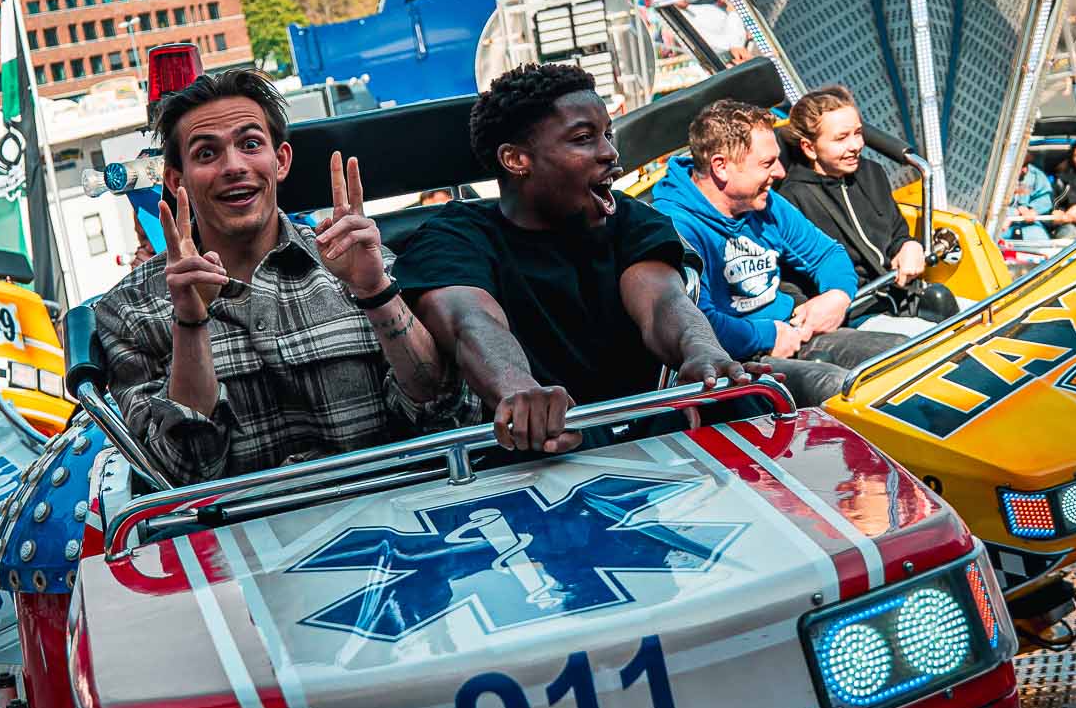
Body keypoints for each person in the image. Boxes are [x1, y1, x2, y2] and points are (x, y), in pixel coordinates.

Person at [95, 70, 479, 486]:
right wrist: (190, 322)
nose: (234, 166)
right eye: (206, 154)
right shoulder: (130, 309)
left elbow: (447, 416)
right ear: (176, 179)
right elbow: (181, 474)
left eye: (250, 144)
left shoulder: (354, 261)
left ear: (280, 162)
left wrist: (375, 292)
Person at [394, 63, 754, 455]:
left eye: (608, 135)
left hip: (648, 436)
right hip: (538, 453)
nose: (610, 152)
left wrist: (701, 348)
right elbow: (470, 322)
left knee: (754, 398)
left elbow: (663, 303)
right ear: (516, 160)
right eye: (584, 138)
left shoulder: (629, 218)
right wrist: (520, 392)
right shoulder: (456, 235)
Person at [653, 100, 911, 407]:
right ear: (721, 167)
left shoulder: (765, 203)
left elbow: (827, 253)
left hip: (794, 334)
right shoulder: (678, 227)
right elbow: (696, 324)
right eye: (767, 163)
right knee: (835, 388)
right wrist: (768, 335)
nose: (779, 171)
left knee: (906, 354)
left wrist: (837, 295)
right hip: (735, 362)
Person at [778, 86, 927, 308]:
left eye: (858, 133)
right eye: (841, 138)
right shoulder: (792, 200)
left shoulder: (871, 173)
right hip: (856, 308)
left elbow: (896, 233)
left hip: (900, 293)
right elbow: (789, 278)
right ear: (810, 148)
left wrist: (909, 246)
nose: (856, 146)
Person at [1004, 152, 1055, 243]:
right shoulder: (996, 179)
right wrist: (1014, 212)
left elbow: (1045, 199)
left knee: (1041, 242)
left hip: (1030, 226)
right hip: (1003, 226)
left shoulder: (1036, 176)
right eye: (1019, 167)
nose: (1024, 170)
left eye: (1025, 165)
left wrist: (1033, 210)